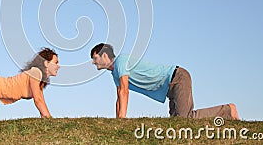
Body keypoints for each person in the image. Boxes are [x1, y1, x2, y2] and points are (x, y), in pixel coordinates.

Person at [90, 43, 239, 120]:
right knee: (176, 124)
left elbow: (124, 91)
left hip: (177, 78)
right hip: (169, 89)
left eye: (95, 58)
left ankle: (228, 110)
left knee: (185, 119)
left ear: (104, 56)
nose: (93, 63)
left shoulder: (121, 61)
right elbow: (119, 97)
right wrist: (118, 121)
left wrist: (121, 119)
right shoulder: (115, 73)